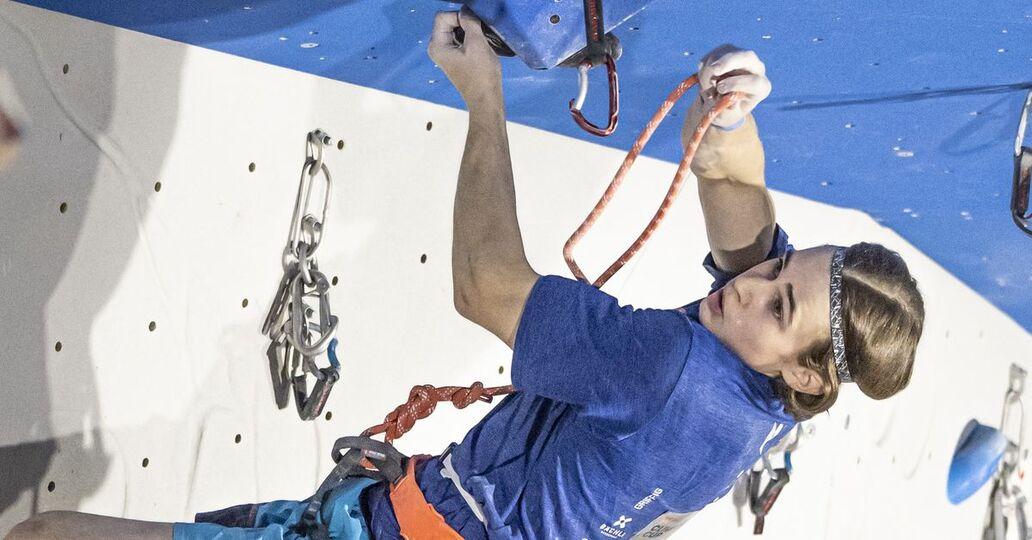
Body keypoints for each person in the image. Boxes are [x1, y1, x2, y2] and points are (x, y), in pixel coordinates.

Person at [6, 10, 925, 540]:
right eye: (781, 272)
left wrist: (483, 96)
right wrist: (730, 119)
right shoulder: (767, 399)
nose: (752, 285)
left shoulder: (676, 369)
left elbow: (485, 286)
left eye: (780, 300)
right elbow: (744, 201)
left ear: (806, 369)